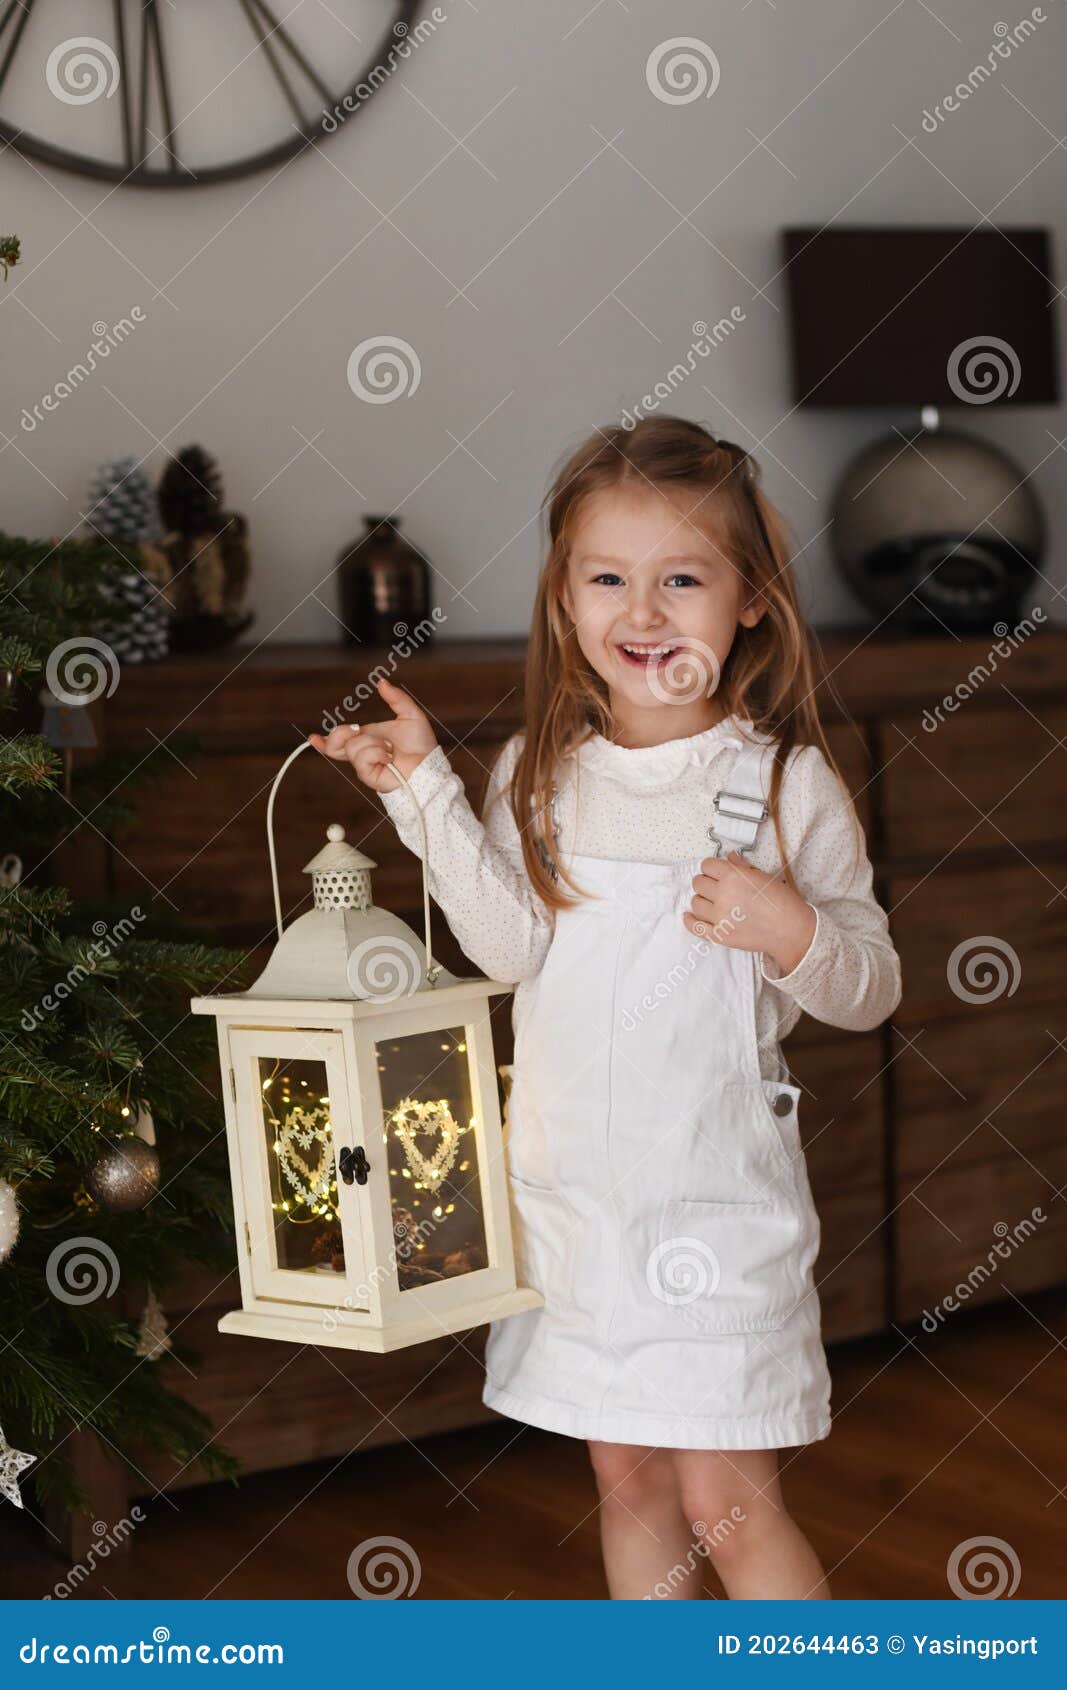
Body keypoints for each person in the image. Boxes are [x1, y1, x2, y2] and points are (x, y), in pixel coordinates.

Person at [309, 415, 902, 1599]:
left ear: (747, 600)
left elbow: (868, 983)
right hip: (574, 1206)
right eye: (608, 578)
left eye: (681, 577)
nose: (643, 611)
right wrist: (423, 788)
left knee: (726, 1507)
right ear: (565, 599)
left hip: (715, 1211)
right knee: (627, 1484)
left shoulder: (779, 780)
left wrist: (788, 927)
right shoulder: (543, 769)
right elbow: (509, 946)